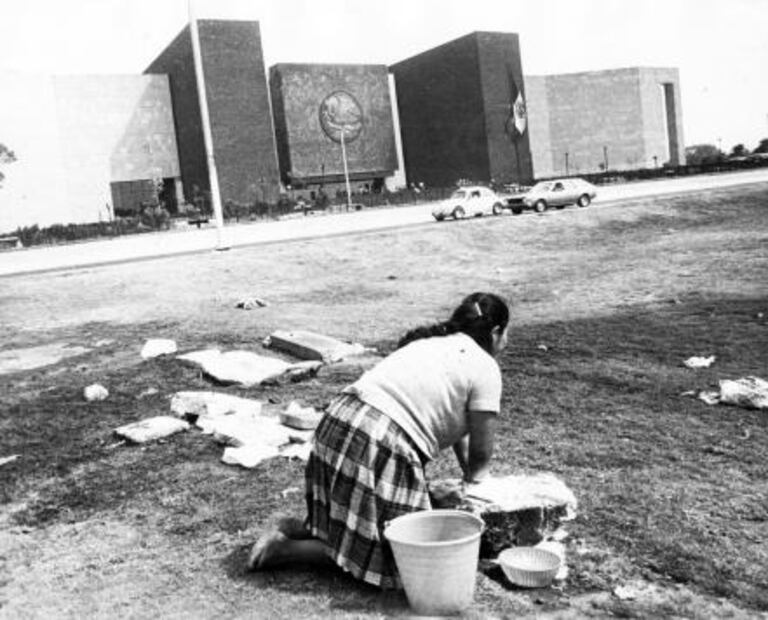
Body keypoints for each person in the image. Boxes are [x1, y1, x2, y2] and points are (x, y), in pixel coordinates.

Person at [248, 292, 510, 589]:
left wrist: (467, 478)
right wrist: (477, 487)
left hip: (340, 420)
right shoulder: (485, 366)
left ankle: (294, 528)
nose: (506, 342)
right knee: (405, 556)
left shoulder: (430, 344)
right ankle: (286, 550)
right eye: (506, 334)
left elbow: (462, 433)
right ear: (495, 332)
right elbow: (480, 452)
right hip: (378, 439)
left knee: (365, 526)